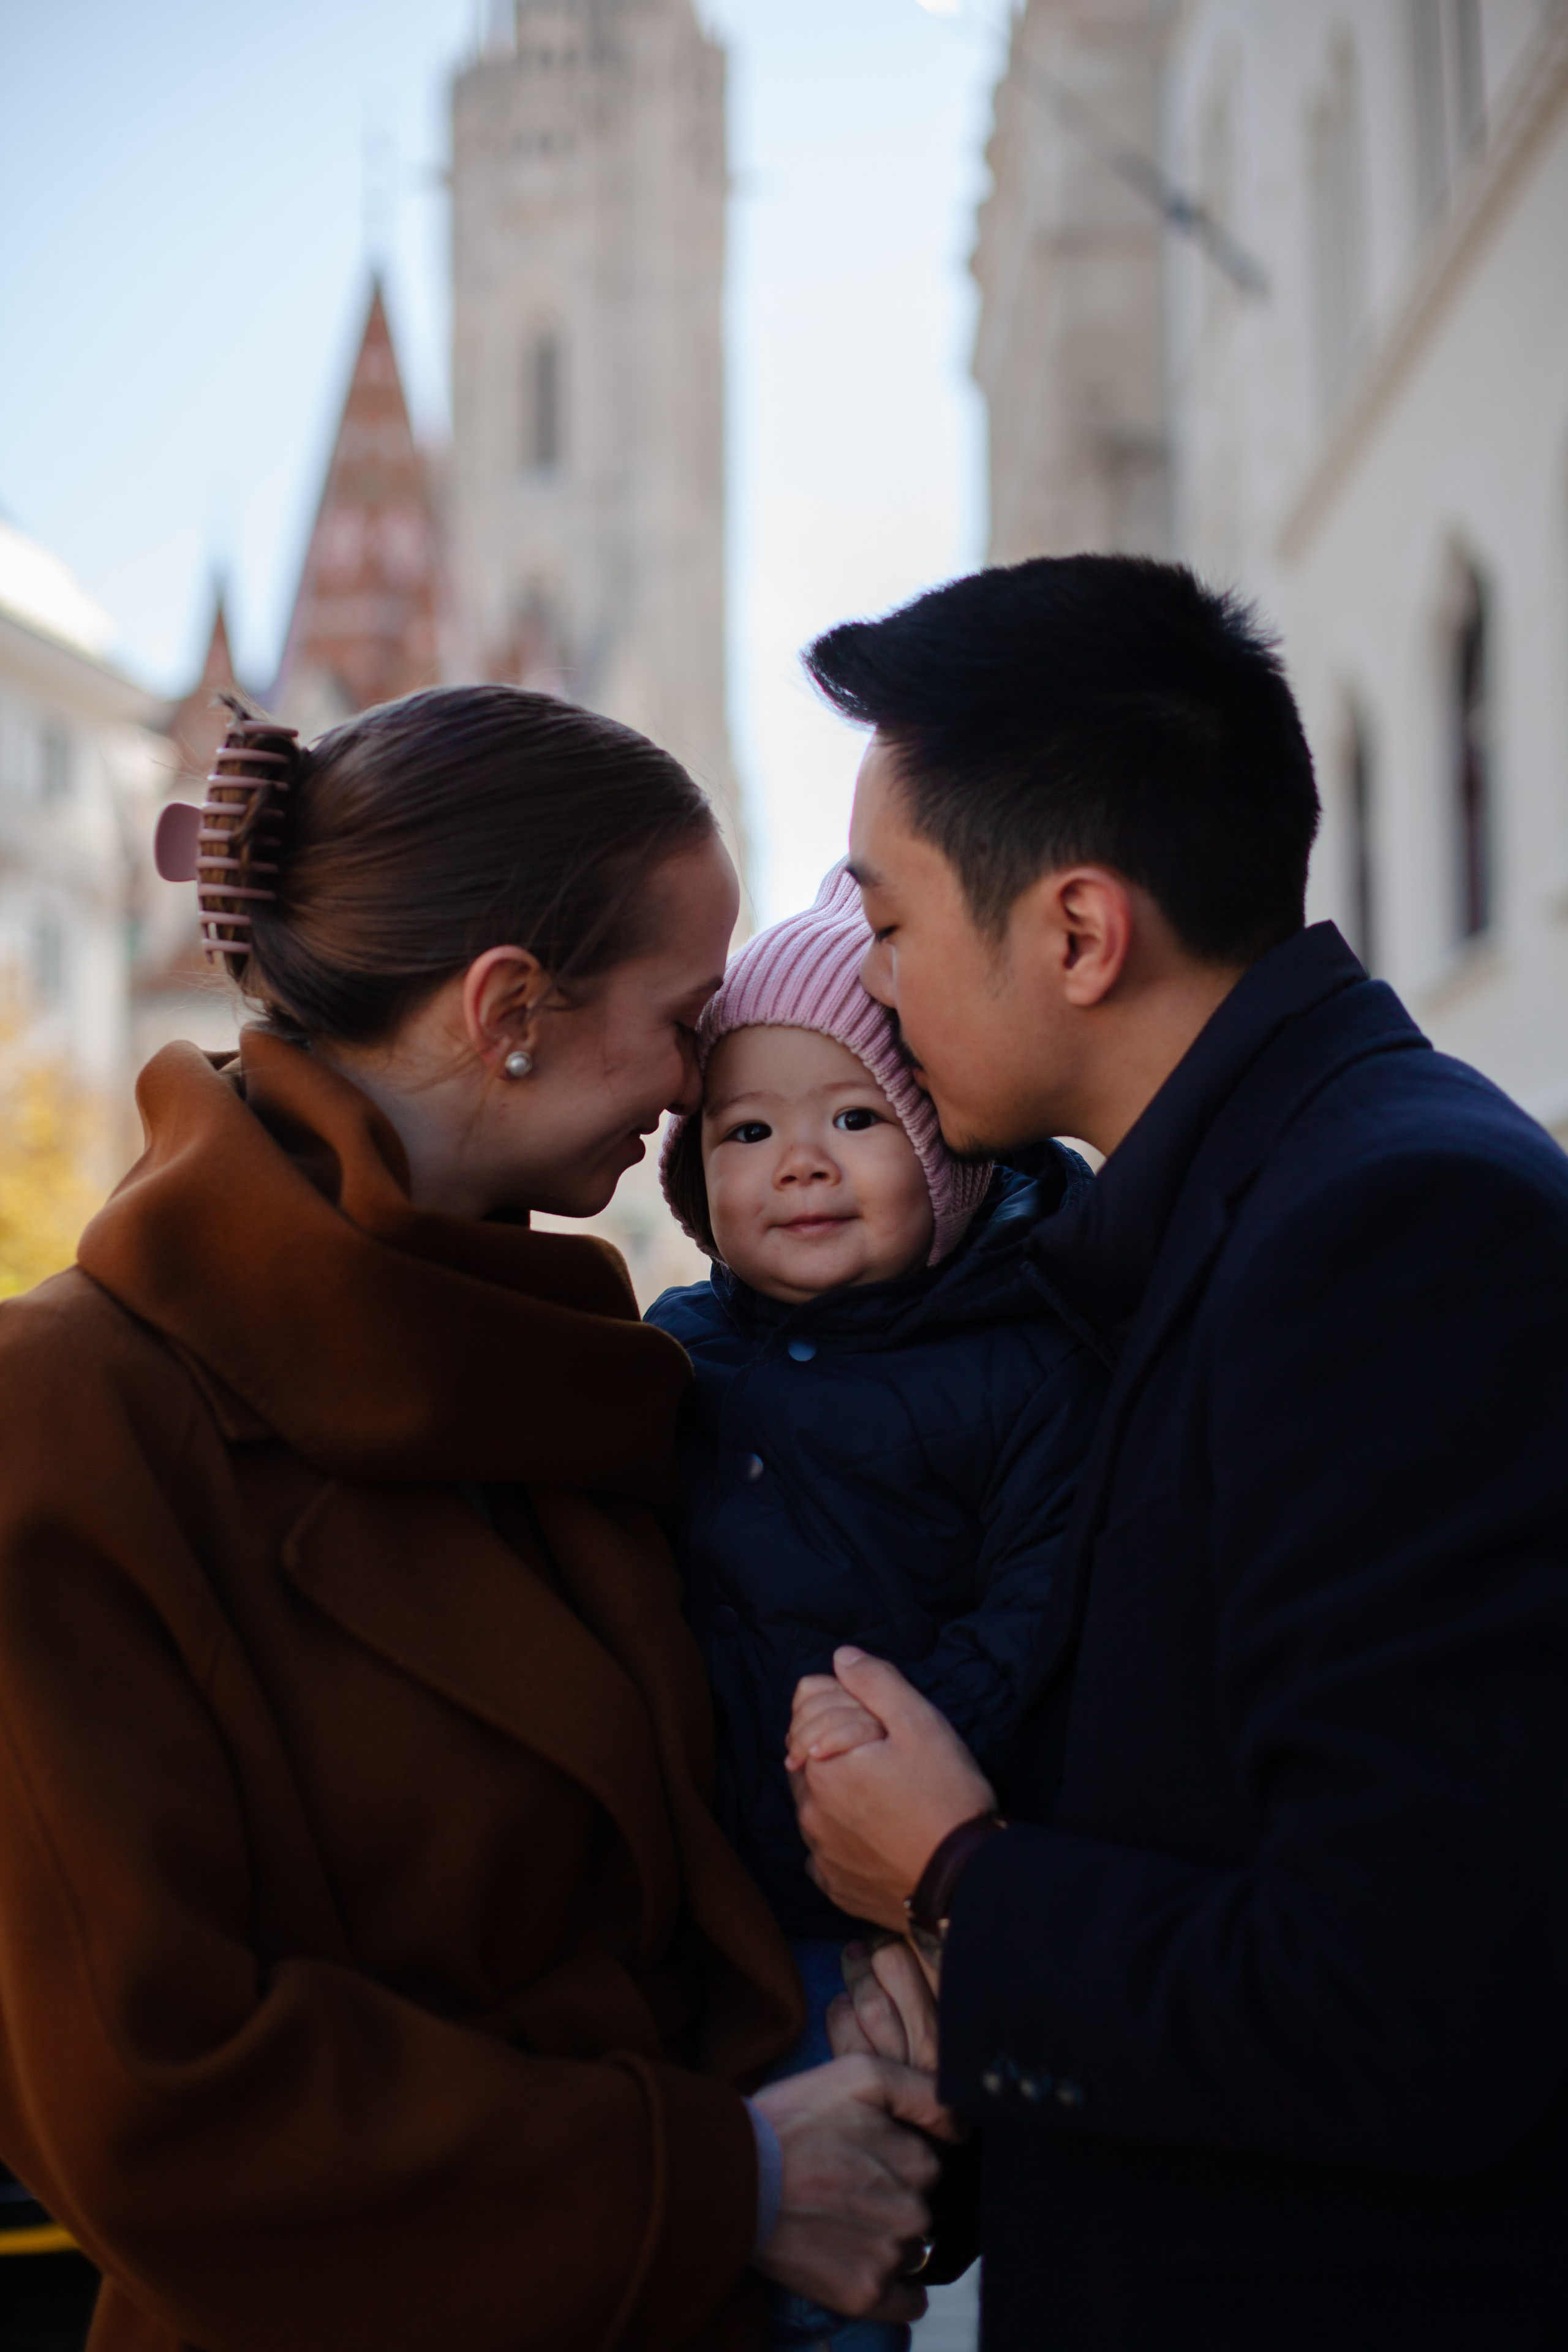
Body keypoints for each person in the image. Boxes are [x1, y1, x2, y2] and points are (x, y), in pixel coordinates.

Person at [0, 686, 947, 2352]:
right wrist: (721, 2182)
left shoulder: (580, 1378)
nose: (702, 1078)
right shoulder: (66, 1416)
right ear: (510, 1008)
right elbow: (154, 2098)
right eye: (685, 1016)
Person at [785, 556, 1568, 2350]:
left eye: (889, 927)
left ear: (1077, 932)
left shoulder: (1390, 1230)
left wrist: (959, 1879)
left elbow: (1409, 2005)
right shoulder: (1244, 1204)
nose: (874, 990)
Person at [647, 861, 1109, 2352]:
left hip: (872, 1906)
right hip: (697, 1904)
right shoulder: (675, 1357)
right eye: (745, 1131)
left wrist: (891, 1749)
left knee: (835, 2258)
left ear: (944, 1154)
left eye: (853, 1120)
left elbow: (1039, 1605)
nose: (797, 1163)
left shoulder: (1020, 1357)